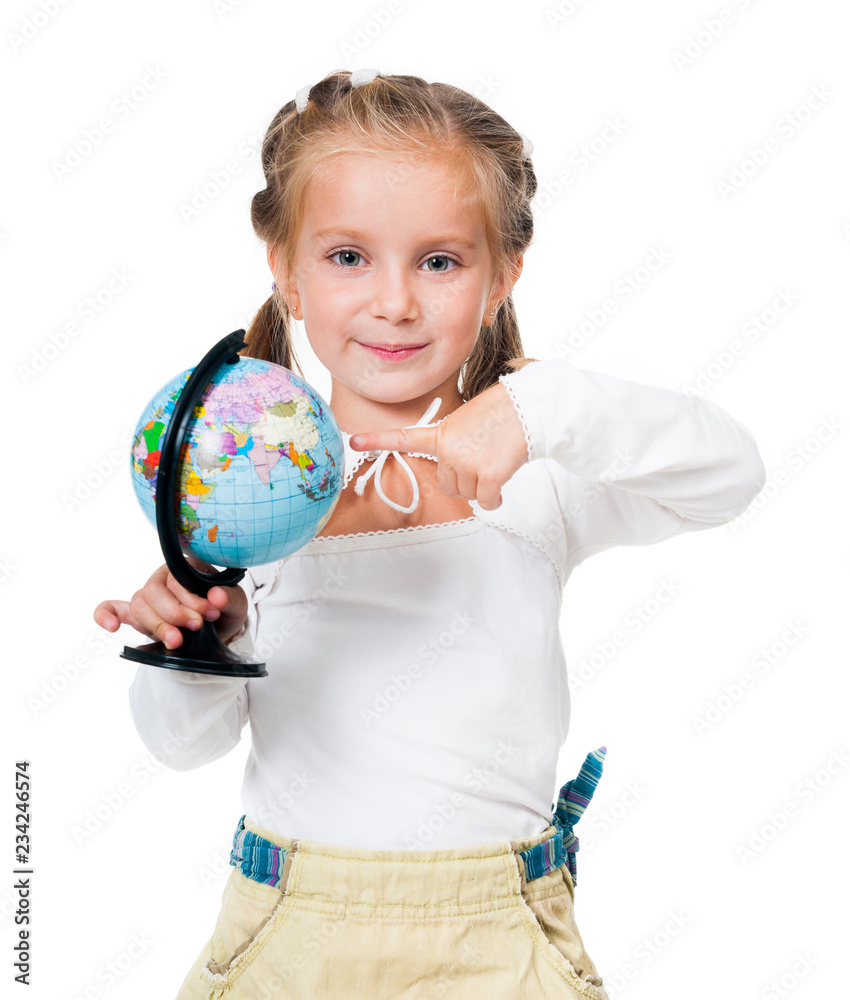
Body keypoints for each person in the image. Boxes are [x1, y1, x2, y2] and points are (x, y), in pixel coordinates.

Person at [93, 68, 766, 999]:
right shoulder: (244, 501)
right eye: (347, 257)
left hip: (499, 943)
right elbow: (182, 747)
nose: (396, 302)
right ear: (283, 266)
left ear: (503, 276)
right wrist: (197, 637)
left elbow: (729, 475)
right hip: (290, 936)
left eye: (440, 261)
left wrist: (540, 410)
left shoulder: (537, 482)